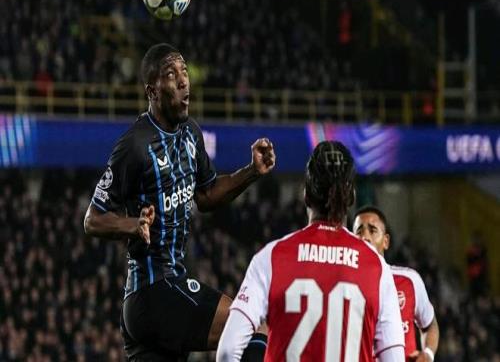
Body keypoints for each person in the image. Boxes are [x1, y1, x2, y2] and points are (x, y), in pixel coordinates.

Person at [84, 43, 276, 361]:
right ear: (152, 91)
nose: (184, 81)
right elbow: (93, 219)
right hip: (154, 291)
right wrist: (132, 225)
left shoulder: (191, 134)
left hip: (161, 300)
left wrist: (251, 171)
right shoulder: (134, 145)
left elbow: (207, 195)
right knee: (254, 327)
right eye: (172, 75)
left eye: (184, 71)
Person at [217, 141, 405, 361]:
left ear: (306, 194)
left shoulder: (271, 257)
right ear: (351, 197)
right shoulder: (376, 267)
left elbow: (228, 350)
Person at [352, 206, 440, 362]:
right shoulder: (345, 285)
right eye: (359, 232)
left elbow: (429, 325)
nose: (365, 237)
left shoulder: (409, 280)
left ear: (386, 241)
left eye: (372, 230)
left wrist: (428, 354)